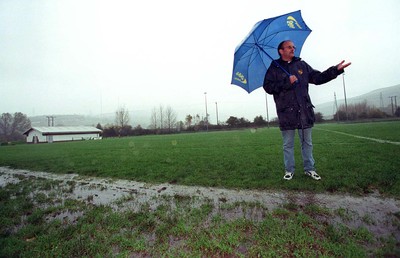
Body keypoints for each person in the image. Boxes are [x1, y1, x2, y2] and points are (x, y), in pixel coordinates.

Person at [263, 40, 351, 181]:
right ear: (281, 51)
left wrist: (336, 69)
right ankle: (289, 170)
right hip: (286, 113)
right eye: (289, 47)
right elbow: (267, 87)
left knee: (307, 143)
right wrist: (287, 82)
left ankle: (310, 169)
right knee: (288, 145)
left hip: (304, 111)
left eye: (294, 46)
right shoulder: (274, 68)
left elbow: (318, 78)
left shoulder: (301, 65)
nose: (293, 49)